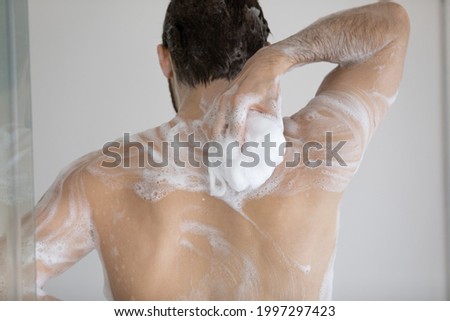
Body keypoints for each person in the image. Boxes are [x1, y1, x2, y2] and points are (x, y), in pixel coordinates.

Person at [34, 0, 409, 300]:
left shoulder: (101, 178)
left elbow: (8, 281)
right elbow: (392, 24)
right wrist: (284, 56)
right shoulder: (318, 149)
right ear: (259, 52)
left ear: (165, 59)